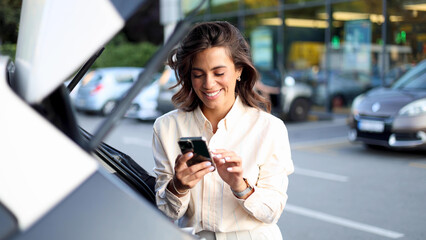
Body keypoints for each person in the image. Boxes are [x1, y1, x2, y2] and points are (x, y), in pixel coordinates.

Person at [152, 21, 294, 240]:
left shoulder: (269, 128)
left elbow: (272, 212)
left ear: (239, 70)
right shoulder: (167, 127)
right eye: (198, 74)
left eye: (219, 72)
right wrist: (178, 186)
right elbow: (167, 211)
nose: (209, 84)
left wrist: (240, 186)